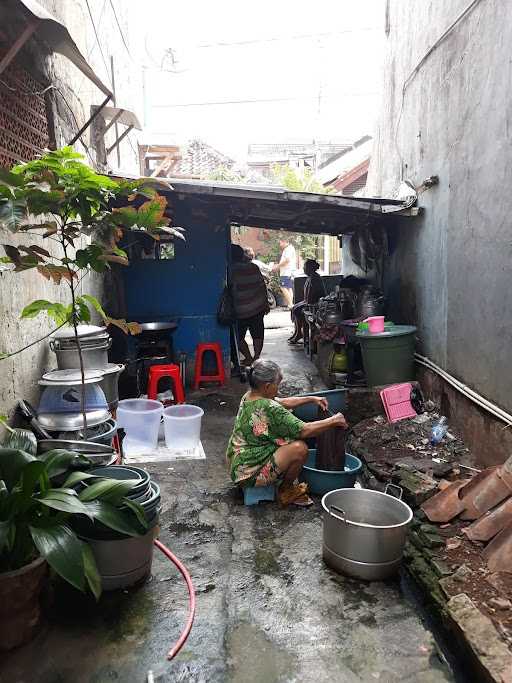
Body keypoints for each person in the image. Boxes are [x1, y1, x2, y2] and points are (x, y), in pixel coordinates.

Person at [226, 359, 348, 506]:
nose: (278, 388)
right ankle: (286, 490)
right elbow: (304, 430)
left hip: (237, 465)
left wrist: (311, 399)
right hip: (249, 474)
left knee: (285, 441)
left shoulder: (250, 396)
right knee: (300, 448)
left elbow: (282, 402)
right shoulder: (269, 407)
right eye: (277, 385)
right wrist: (334, 420)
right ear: (267, 386)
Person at [230, 244, 269, 365]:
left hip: (240, 309)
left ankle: (248, 357)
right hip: (257, 307)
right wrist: (265, 303)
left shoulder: (230, 270)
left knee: (238, 336)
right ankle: (256, 357)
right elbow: (262, 286)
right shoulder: (253, 267)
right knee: (257, 333)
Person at [289, 259, 326, 344]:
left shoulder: (315, 278)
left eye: (305, 267)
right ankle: (297, 332)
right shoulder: (310, 277)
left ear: (310, 268)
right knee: (294, 308)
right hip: (309, 301)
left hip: (316, 303)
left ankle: (299, 334)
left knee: (297, 309)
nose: (303, 269)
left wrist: (304, 303)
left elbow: (312, 297)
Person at [272, 238, 297, 308]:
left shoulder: (288, 249)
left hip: (286, 272)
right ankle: (290, 304)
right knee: (289, 288)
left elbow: (287, 260)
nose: (280, 245)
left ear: (285, 241)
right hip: (289, 272)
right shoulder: (290, 248)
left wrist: (277, 266)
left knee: (283, 287)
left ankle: (290, 304)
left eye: (280, 243)